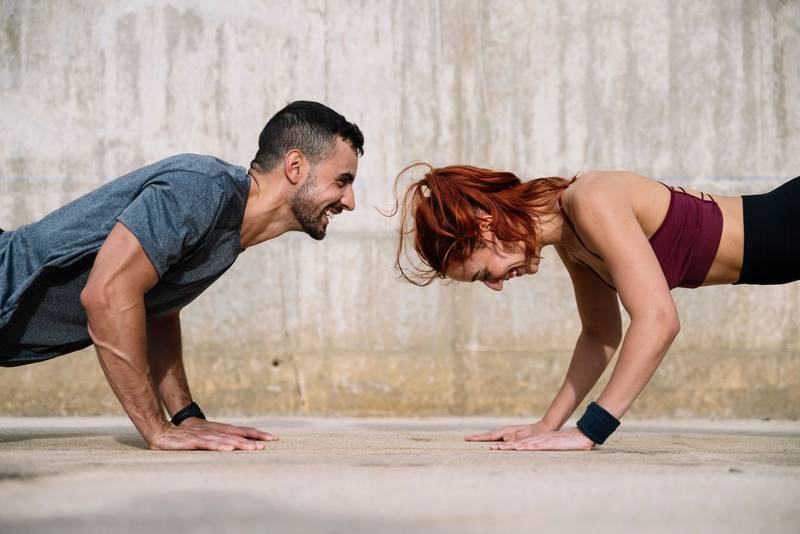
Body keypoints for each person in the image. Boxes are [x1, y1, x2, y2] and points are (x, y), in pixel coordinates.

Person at [0, 101, 364, 451]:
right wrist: (155, 429)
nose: (349, 201)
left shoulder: (229, 230)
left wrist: (185, 416)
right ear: (296, 166)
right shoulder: (200, 187)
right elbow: (107, 295)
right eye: (341, 181)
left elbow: (156, 309)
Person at [392, 164, 799, 451]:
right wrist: (545, 426)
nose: (497, 286)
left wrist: (590, 430)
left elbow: (658, 320)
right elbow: (599, 335)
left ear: (485, 227)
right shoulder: (571, 240)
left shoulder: (590, 199)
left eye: (485, 274)